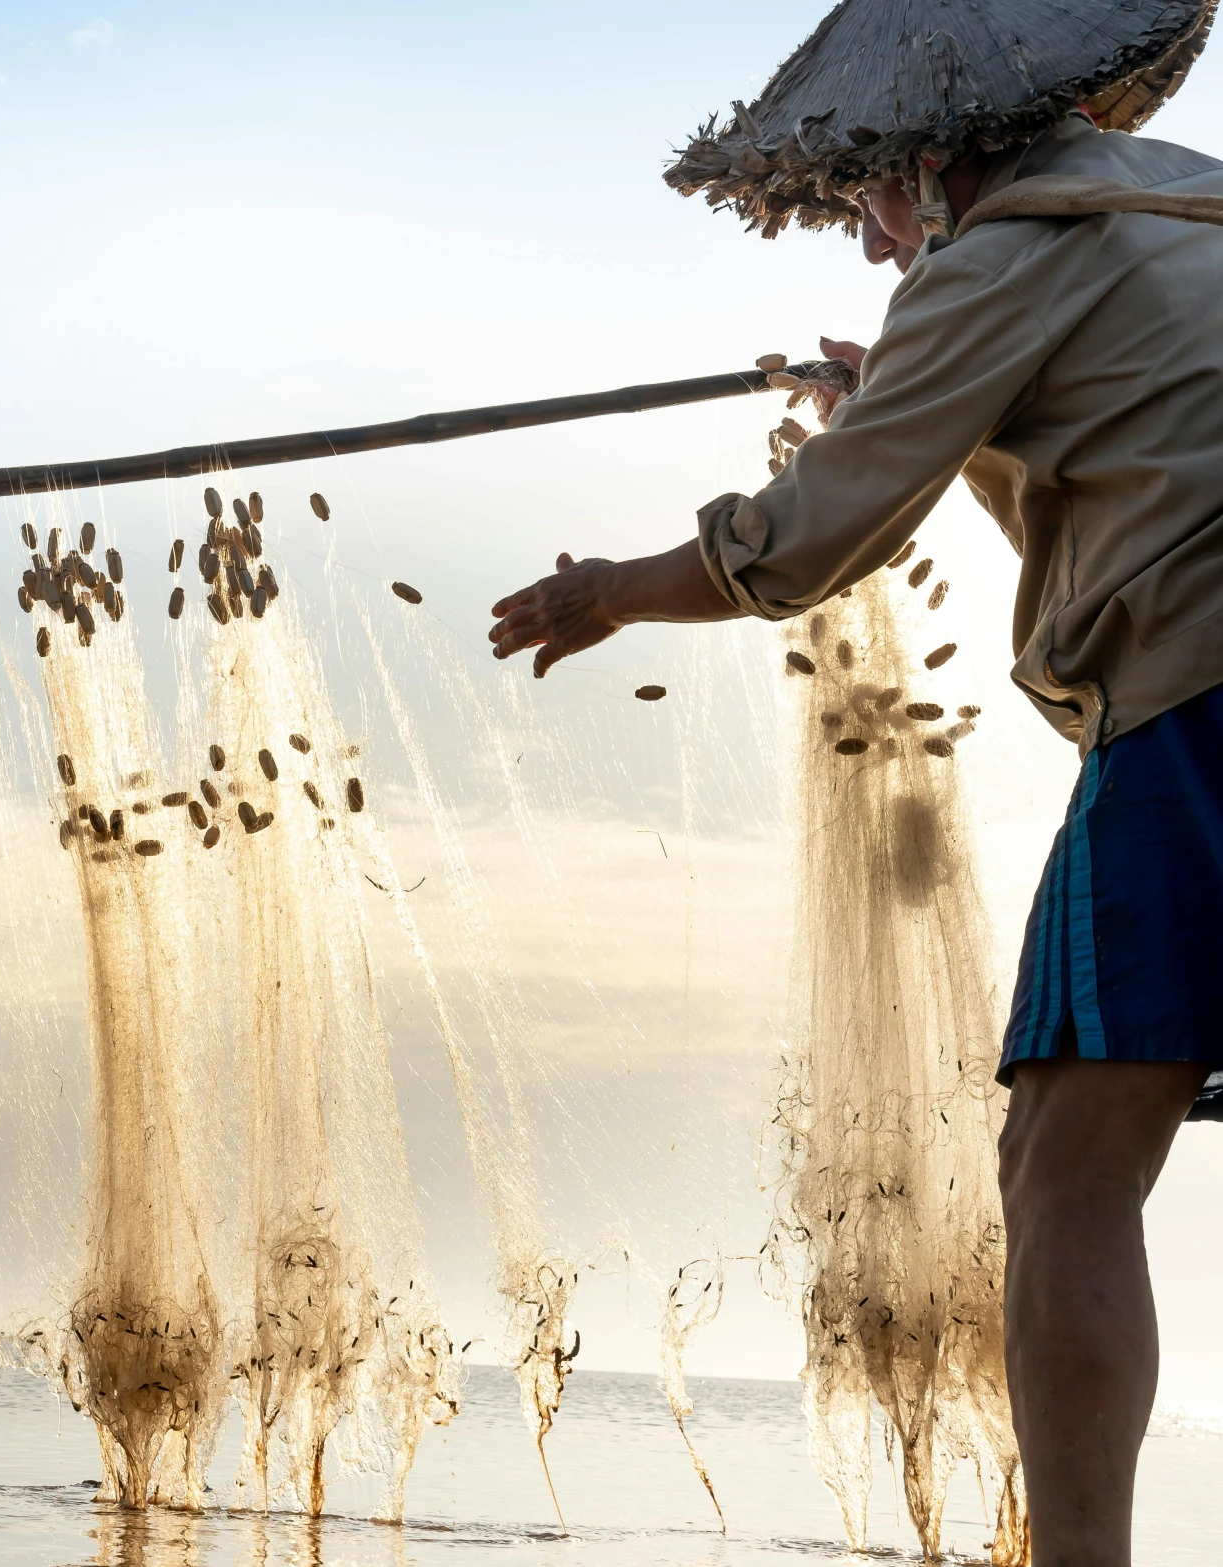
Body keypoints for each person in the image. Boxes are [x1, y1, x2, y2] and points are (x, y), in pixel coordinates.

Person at [488, 4, 1223, 1561]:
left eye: (866, 205)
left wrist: (603, 591)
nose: (875, 246)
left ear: (927, 160)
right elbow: (1123, 419)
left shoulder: (994, 259)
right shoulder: (1183, 199)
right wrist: (905, 397)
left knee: (1064, 1162)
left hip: (1195, 699)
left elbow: (806, 539)